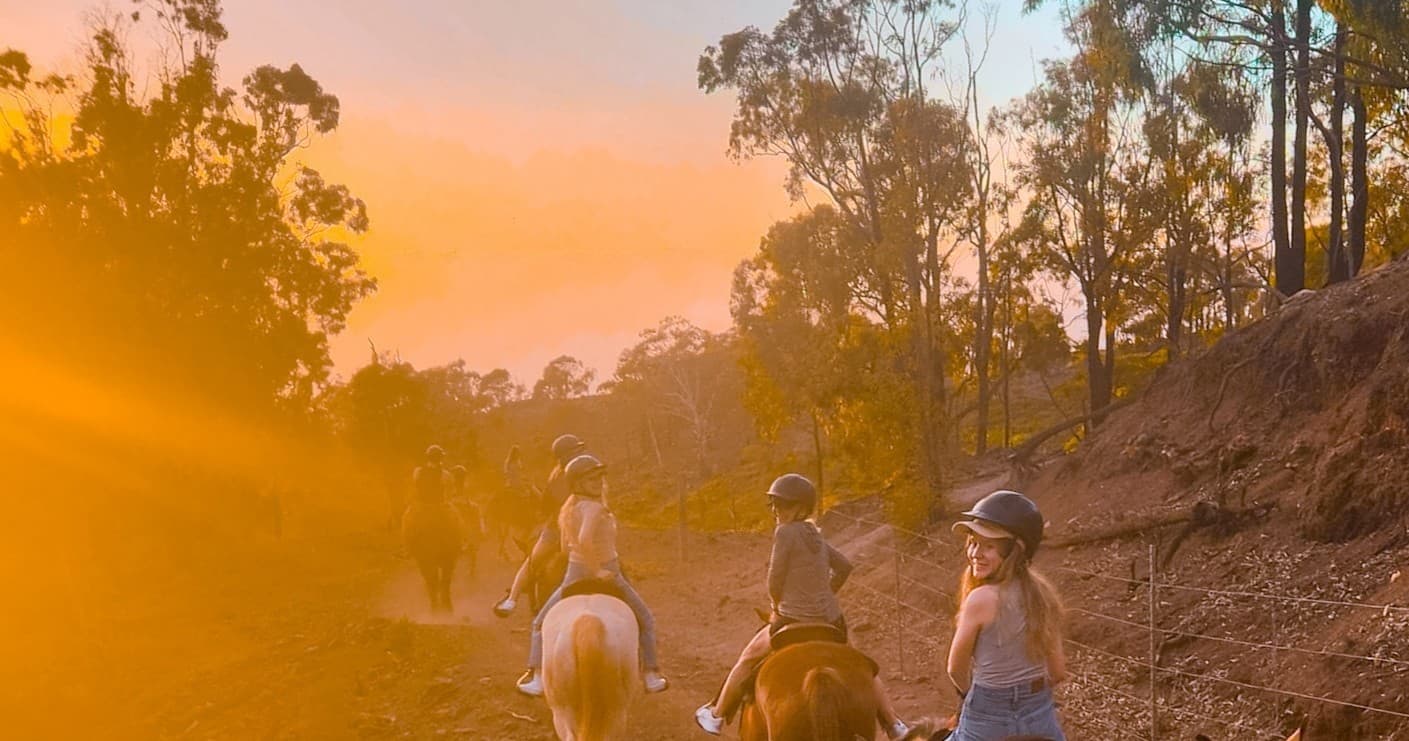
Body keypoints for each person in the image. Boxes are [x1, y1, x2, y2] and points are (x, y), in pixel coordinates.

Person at [694, 474, 908, 739]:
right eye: (773, 504)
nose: (775, 510)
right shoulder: (815, 535)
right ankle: (893, 724)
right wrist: (826, 594)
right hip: (831, 621)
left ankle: (717, 715)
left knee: (748, 658)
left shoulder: (784, 532)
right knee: (863, 666)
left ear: (800, 507)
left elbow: (775, 577)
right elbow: (844, 567)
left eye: (782, 505)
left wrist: (776, 605)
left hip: (790, 619)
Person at [515, 453, 668, 696]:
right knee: (646, 619)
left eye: (599, 477)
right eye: (591, 479)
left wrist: (581, 560)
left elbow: (566, 547)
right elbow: (585, 539)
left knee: (539, 623)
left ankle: (537, 677)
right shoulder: (596, 508)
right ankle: (650, 674)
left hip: (573, 573)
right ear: (577, 483)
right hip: (608, 568)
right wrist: (597, 568)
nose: (598, 482)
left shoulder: (568, 508)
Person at [946, 490, 1067, 741]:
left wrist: (976, 697)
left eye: (989, 546)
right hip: (1038, 713)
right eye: (974, 542)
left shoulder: (980, 599)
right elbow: (1058, 672)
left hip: (987, 714)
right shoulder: (1044, 595)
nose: (976, 553)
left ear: (1016, 551)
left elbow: (955, 668)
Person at [493, 434, 585, 617]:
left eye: (579, 451)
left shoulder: (574, 473)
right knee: (533, 560)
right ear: (565, 456)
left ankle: (511, 599)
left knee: (533, 561)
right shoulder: (561, 476)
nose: (579, 454)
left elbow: (545, 507)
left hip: (573, 527)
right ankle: (512, 598)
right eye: (576, 451)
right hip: (559, 531)